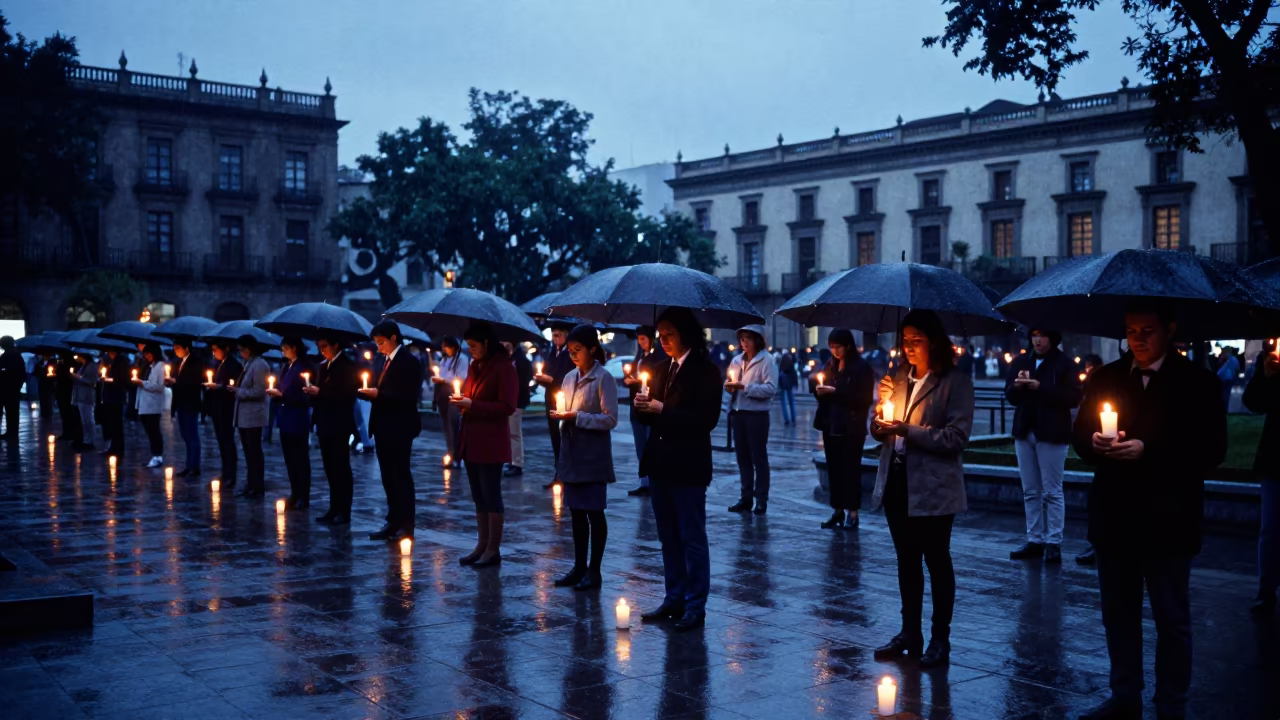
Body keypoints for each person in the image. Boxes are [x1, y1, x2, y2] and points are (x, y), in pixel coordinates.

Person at [1072, 305, 1226, 720]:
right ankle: (1125, 696)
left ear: (1170, 330)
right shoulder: (1106, 377)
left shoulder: (1198, 383)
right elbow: (1081, 438)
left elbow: (1212, 449)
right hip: (1115, 518)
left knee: (1171, 618)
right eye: (1130, 331)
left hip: (1168, 519)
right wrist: (1095, 442)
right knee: (1118, 616)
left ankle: (1171, 702)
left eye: (1148, 331)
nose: (1137, 339)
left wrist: (1148, 450)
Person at [869, 309, 974, 668]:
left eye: (917, 341)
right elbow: (880, 429)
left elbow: (956, 437)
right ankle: (909, 631)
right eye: (905, 341)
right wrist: (878, 420)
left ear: (934, 342)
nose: (909, 347)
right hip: (897, 482)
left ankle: (939, 638)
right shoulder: (897, 377)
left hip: (933, 488)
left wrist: (906, 431)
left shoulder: (953, 382)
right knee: (906, 561)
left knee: (936, 561)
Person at [634, 307, 722, 631]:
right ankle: (674, 597)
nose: (663, 340)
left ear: (685, 333)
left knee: (691, 537)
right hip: (660, 463)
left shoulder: (706, 372)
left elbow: (704, 420)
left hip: (688, 465)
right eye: (660, 335)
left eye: (669, 334)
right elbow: (652, 417)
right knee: (667, 536)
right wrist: (643, 407)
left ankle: (695, 605)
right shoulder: (660, 368)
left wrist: (661, 408)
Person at [1005, 327, 1083, 564]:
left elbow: (1073, 397)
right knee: (1030, 490)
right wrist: (1017, 387)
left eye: (1043, 335)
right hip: (1025, 430)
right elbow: (1009, 396)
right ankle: (1034, 539)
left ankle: (1054, 542)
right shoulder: (1021, 360)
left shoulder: (1065, 364)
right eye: (1034, 334)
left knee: (1052, 490)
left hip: (1052, 431)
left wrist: (1041, 387)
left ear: (1053, 337)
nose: (1037, 340)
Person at [550, 324, 618, 590]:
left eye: (578, 350)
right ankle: (578, 567)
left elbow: (610, 418)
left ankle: (594, 570)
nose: (573, 355)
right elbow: (565, 410)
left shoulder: (603, 378)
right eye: (570, 350)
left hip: (593, 455)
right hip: (572, 453)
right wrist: (562, 418)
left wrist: (577, 417)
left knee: (594, 512)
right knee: (576, 512)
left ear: (592, 349)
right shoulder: (569, 378)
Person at [453, 321, 517, 567]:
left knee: (491, 495)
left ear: (487, 343)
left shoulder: (504, 367)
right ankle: (481, 545)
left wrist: (473, 406)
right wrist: (463, 402)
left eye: (474, 345)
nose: (471, 350)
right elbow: (471, 394)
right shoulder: (474, 366)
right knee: (478, 496)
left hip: (491, 441)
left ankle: (493, 548)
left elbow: (507, 406)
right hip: (472, 440)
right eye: (468, 346)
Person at [360, 321, 422, 542]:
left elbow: (407, 396)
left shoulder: (409, 362)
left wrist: (380, 395)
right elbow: (380, 388)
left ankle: (407, 525)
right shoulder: (381, 360)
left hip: (400, 426)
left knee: (401, 475)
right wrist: (366, 392)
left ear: (394, 338)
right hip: (382, 425)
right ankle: (393, 520)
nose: (378, 348)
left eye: (381, 342)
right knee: (387, 476)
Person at [814, 329, 874, 529]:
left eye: (838, 346)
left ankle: (853, 513)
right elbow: (824, 390)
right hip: (831, 425)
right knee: (834, 470)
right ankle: (837, 510)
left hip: (851, 427)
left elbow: (864, 400)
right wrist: (819, 390)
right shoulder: (830, 365)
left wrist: (837, 392)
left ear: (848, 346)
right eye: (831, 346)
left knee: (850, 471)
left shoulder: (861, 368)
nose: (835, 350)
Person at [305, 334, 359, 525]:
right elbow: (321, 394)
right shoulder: (323, 366)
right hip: (325, 422)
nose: (322, 350)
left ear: (336, 344)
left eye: (325, 346)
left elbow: (347, 395)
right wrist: (312, 392)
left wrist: (321, 392)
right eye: (319, 347)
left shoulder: (346, 365)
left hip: (340, 423)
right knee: (329, 468)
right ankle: (333, 508)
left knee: (341, 468)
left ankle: (344, 511)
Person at [725, 324, 777, 515]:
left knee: (759, 458)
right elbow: (729, 384)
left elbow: (771, 388)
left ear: (757, 339)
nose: (744, 342)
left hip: (757, 415)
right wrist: (729, 388)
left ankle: (761, 498)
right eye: (741, 338)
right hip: (738, 413)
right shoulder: (736, 360)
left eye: (747, 338)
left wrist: (746, 388)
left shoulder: (767, 360)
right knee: (743, 458)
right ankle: (745, 497)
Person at [1244, 344, 1280, 614]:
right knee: (1270, 530)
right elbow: (1253, 402)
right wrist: (1266, 376)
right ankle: (1266, 590)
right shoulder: (1269, 358)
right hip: (1275, 459)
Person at [268, 337, 314, 510]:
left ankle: (303, 495)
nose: (282, 351)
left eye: (285, 348)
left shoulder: (304, 367)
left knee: (300, 458)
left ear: (294, 348)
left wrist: (283, 395)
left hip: (297, 417)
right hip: (285, 416)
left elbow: (305, 395)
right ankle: (295, 493)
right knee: (289, 459)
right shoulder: (287, 366)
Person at [624, 326, 666, 496]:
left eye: (643, 339)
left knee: (651, 444)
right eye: (639, 339)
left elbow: (656, 379)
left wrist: (640, 381)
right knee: (640, 444)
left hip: (650, 405)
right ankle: (644, 481)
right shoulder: (640, 357)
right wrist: (630, 379)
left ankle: (654, 480)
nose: (640, 343)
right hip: (637, 405)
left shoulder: (658, 358)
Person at [534, 321, 575, 489]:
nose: (555, 338)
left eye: (558, 335)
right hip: (551, 400)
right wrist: (542, 379)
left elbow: (569, 377)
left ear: (566, 335)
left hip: (564, 401)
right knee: (555, 438)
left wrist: (551, 380)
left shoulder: (570, 354)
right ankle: (558, 473)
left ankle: (566, 474)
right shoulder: (553, 352)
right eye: (553, 335)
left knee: (565, 438)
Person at [230, 336, 271, 499]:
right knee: (247, 452)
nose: (240, 353)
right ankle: (250, 484)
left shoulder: (260, 365)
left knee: (254, 452)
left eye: (242, 349)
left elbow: (259, 391)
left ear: (249, 349)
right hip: (243, 416)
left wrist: (237, 391)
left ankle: (257, 486)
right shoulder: (248, 363)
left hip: (253, 416)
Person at [1075, 353, 1105, 566]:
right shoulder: (1104, 380)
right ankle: (1098, 545)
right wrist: (1091, 440)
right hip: (1109, 477)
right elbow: (1081, 432)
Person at [166, 339, 205, 476]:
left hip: (190, 402)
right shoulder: (178, 362)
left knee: (192, 434)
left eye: (177, 347)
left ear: (186, 348)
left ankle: (194, 466)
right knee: (185, 435)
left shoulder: (196, 362)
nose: (175, 350)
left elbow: (195, 381)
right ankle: (189, 465)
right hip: (181, 402)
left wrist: (176, 381)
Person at [206, 342, 242, 488]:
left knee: (227, 441)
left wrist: (218, 386)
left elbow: (232, 386)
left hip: (226, 408)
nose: (213, 352)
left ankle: (230, 474)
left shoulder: (233, 364)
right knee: (221, 441)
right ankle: (225, 472)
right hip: (218, 408)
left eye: (216, 349)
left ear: (226, 348)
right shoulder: (220, 363)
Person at [431, 337, 469, 466]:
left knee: (454, 425)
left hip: (454, 394)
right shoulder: (444, 360)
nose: (443, 349)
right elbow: (441, 374)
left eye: (445, 346)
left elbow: (461, 377)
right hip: (443, 394)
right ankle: (451, 452)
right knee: (447, 426)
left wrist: (444, 380)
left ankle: (458, 456)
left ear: (453, 347)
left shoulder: (462, 359)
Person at [132, 343, 167, 469]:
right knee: (149, 430)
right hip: (145, 403)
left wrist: (142, 383)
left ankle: (158, 456)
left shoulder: (160, 366)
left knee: (154, 430)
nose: (146, 356)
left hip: (153, 404)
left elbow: (158, 386)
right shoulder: (149, 366)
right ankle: (154, 455)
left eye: (148, 354)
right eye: (145, 354)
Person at [502, 340, 534, 477]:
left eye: (507, 344)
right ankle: (512, 460)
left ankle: (517, 463)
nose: (504, 346)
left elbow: (525, 379)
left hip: (516, 400)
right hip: (509, 399)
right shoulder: (510, 359)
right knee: (510, 432)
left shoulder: (520, 360)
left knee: (515, 433)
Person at [99, 348, 131, 458]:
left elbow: (122, 379)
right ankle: (114, 447)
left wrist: (107, 379)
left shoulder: (121, 361)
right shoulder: (111, 361)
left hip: (116, 397)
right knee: (112, 423)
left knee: (116, 423)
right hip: (111, 396)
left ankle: (118, 448)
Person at [70, 353, 98, 451]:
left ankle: (90, 441)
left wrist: (77, 377)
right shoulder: (83, 366)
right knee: (84, 420)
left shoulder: (92, 366)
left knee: (88, 419)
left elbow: (91, 381)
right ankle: (86, 440)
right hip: (80, 395)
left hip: (86, 396)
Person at [0, 336, 25, 438]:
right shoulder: (15, 355)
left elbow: (12, 371)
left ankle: (11, 432)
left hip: (8, 387)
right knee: (12, 411)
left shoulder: (9, 355)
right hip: (12, 387)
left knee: (11, 411)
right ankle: (12, 432)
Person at [777, 349, 798, 427]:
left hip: (783, 384)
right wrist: (795, 384)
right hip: (789, 383)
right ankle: (793, 419)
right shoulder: (790, 361)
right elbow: (794, 374)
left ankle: (786, 419)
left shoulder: (782, 362)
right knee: (791, 401)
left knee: (783, 402)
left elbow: (779, 374)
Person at [1217, 346, 1240, 412]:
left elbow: (1218, 365)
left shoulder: (1224, 358)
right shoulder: (1234, 359)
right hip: (1229, 379)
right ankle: (1225, 409)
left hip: (1221, 378)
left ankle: (1222, 409)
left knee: (1222, 394)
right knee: (1226, 394)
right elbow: (1237, 369)